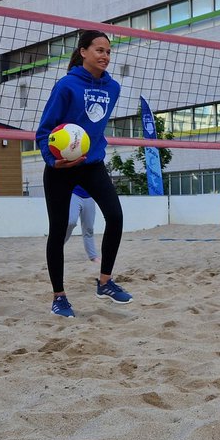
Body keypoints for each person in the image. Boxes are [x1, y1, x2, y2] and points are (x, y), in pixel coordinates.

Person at [36, 29, 132, 317]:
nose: (105, 56)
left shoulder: (113, 88)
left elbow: (92, 128)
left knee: (115, 217)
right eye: (99, 50)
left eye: (108, 51)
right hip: (61, 168)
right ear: (83, 52)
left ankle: (105, 282)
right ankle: (59, 297)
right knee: (58, 231)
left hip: (91, 164)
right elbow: (43, 132)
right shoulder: (66, 86)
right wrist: (52, 161)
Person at [67, 186, 99, 262]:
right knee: (71, 222)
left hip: (90, 196)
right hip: (74, 193)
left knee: (89, 228)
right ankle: (57, 247)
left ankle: (93, 256)